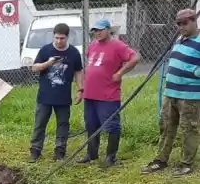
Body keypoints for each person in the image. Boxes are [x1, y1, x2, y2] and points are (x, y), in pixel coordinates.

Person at [142, 9, 200, 177]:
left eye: (185, 23)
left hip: (190, 96)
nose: (181, 26)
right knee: (166, 127)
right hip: (171, 93)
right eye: (178, 23)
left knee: (189, 129)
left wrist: (193, 70)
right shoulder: (179, 40)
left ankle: (186, 164)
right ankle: (160, 160)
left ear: (194, 20)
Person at [79, 19, 141, 167]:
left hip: (107, 95)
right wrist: (81, 89)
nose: (97, 33)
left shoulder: (117, 45)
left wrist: (120, 73)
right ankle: (91, 154)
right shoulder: (93, 45)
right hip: (90, 93)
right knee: (91, 125)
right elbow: (88, 66)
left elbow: (135, 57)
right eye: (95, 30)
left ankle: (110, 156)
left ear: (108, 30)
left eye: (100, 30)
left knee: (111, 126)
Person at [28, 23, 84, 162]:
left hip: (63, 97)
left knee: (63, 124)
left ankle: (60, 151)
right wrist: (48, 64)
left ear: (67, 37)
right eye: (57, 38)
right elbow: (34, 68)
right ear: (53, 36)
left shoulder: (74, 53)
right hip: (45, 97)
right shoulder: (45, 50)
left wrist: (80, 89)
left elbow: (78, 71)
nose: (59, 41)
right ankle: (35, 151)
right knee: (40, 124)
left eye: (62, 38)